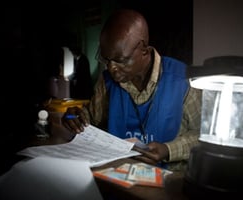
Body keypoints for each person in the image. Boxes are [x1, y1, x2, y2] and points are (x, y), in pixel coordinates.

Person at [62, 9, 202, 171]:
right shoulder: (107, 81)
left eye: (120, 60)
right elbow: (92, 118)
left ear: (144, 50)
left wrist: (168, 149)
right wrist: (76, 117)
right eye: (106, 59)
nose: (111, 68)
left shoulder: (183, 80)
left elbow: (203, 136)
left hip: (168, 183)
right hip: (118, 178)